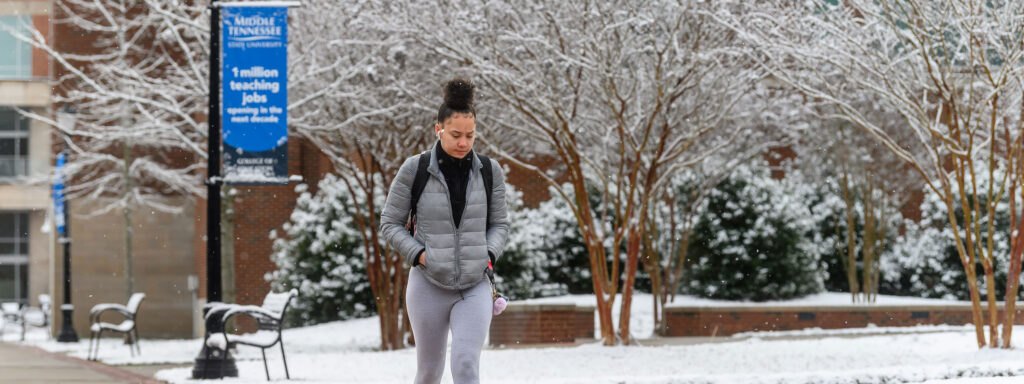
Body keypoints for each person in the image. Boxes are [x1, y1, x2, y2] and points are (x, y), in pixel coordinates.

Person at [380, 78, 509, 384]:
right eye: (455, 135)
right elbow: (389, 223)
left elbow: (500, 224)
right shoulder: (415, 169)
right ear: (437, 129)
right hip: (427, 285)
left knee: (465, 365)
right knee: (428, 373)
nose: (463, 143)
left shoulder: (490, 171)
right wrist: (420, 255)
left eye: (470, 135)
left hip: (474, 285)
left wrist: (487, 254)